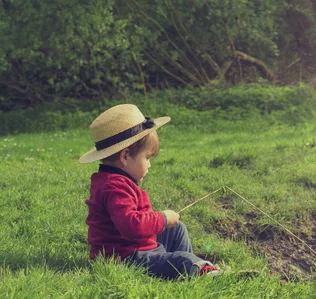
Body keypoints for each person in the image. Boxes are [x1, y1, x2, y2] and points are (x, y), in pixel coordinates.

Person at [79, 104, 219, 278]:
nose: (150, 165)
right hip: (125, 259)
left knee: (176, 229)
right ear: (125, 156)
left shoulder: (114, 181)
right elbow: (131, 225)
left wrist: (165, 222)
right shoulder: (115, 187)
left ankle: (188, 272)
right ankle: (199, 270)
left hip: (131, 247)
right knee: (180, 259)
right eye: (147, 158)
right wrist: (163, 218)